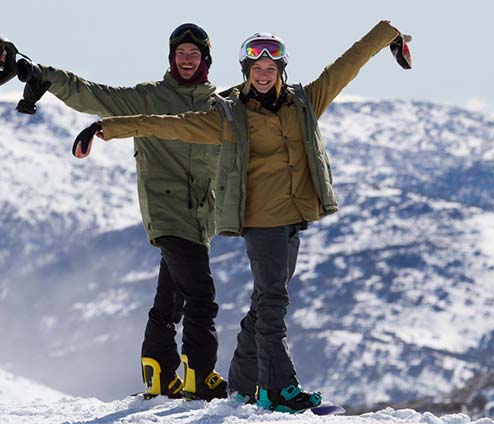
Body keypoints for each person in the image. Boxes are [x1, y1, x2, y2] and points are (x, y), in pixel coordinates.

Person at [73, 20, 409, 413]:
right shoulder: (230, 116)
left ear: (280, 71)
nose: (263, 76)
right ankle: (278, 389)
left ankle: (242, 384)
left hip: (293, 217)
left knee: (265, 301)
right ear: (245, 73)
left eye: (270, 69)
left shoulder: (305, 102)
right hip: (260, 220)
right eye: (255, 70)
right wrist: (106, 128)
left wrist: (388, 34)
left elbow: (345, 65)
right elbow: (170, 126)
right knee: (273, 302)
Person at [17, 23, 227, 401]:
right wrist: (45, 77)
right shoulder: (149, 98)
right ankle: (200, 375)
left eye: (194, 54)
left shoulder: (220, 105)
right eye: (180, 53)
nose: (186, 59)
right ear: (171, 57)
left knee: (172, 298)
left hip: (201, 218)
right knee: (201, 296)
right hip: (166, 210)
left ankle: (160, 372)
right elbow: (93, 94)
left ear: (206, 59)